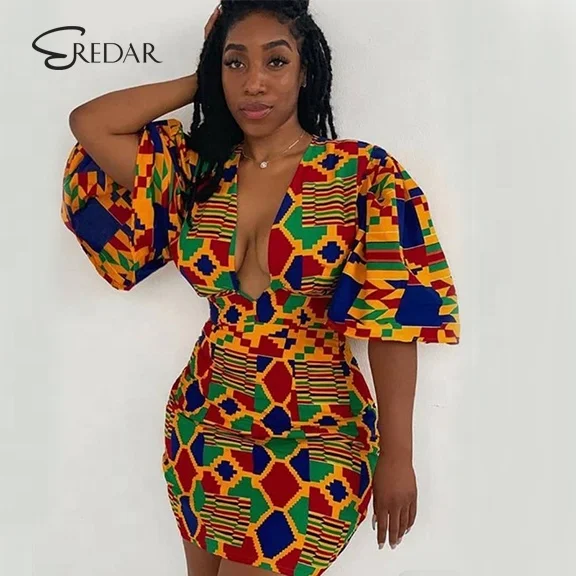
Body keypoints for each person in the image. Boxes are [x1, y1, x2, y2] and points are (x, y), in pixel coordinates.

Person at [60, 1, 460, 575]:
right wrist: (202, 76)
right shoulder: (198, 175)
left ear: (306, 70)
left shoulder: (362, 175)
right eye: (235, 63)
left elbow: (395, 319)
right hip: (206, 419)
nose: (254, 82)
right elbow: (90, 123)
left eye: (275, 61)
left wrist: (399, 456)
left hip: (315, 431)